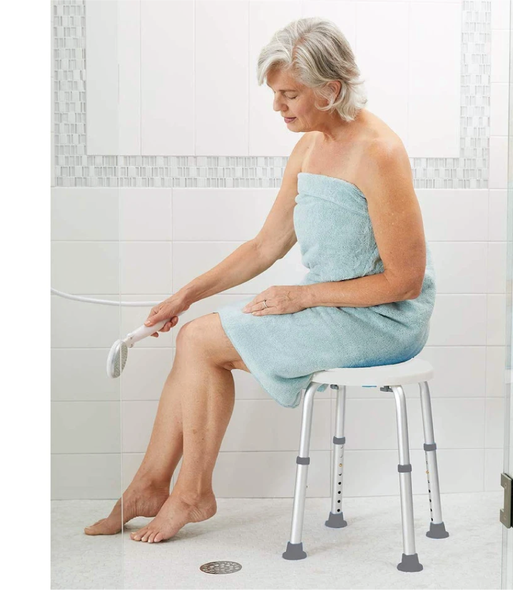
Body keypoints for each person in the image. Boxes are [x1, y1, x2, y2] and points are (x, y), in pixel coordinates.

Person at [84, 16, 435, 544]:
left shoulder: (378, 151)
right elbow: (265, 246)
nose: (278, 106)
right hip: (333, 308)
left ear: (331, 88)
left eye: (289, 94)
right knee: (193, 335)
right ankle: (149, 487)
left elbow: (405, 282)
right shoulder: (311, 146)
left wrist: (301, 296)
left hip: (382, 318)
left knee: (203, 340)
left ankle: (190, 493)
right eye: (276, 94)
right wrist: (183, 294)